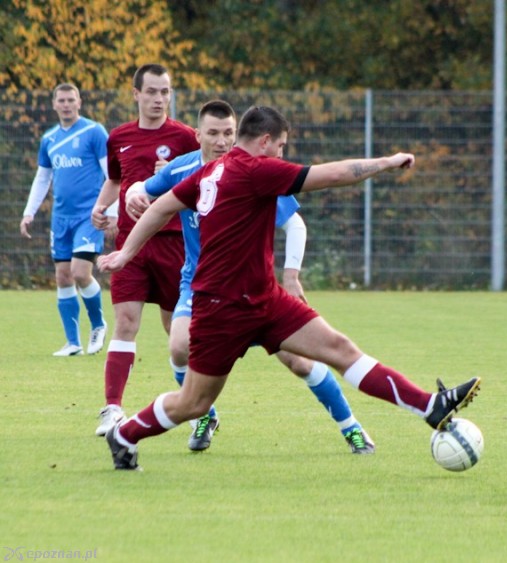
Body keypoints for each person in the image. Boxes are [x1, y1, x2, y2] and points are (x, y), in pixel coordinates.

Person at [98, 105, 480, 470]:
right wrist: (386, 162)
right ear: (265, 141)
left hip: (265, 300)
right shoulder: (253, 170)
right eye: (281, 146)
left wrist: (126, 253)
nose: (282, 154)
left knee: (339, 349)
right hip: (222, 309)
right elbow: (332, 175)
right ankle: (126, 435)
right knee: (193, 403)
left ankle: (430, 406)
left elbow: (162, 205)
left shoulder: (211, 172)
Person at [126, 99, 375, 453]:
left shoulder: (253, 171)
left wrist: (291, 275)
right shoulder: (182, 170)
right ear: (198, 136)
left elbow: (294, 222)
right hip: (199, 287)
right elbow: (145, 190)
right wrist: (132, 196)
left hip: (253, 291)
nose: (222, 141)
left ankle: (350, 426)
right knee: (179, 346)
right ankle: (203, 414)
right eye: (213, 133)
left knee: (300, 362)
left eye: (228, 132)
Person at [90, 64, 200, 437]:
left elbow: (206, 182)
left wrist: (172, 174)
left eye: (165, 91)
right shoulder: (118, 137)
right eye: (151, 91)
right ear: (135, 94)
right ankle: (112, 409)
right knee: (125, 323)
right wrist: (102, 207)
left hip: (174, 245)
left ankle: (203, 407)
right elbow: (116, 179)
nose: (158, 99)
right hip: (130, 246)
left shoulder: (187, 138)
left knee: (177, 336)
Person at [20, 83, 109, 357]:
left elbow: (111, 174)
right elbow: (43, 178)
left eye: (71, 99)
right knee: (62, 276)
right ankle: (73, 343)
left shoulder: (94, 132)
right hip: (61, 219)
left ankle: (98, 324)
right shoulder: (49, 139)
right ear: (55, 104)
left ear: (79, 102)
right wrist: (29, 212)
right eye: (62, 100)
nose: (67, 104)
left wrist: (112, 211)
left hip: (89, 215)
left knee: (80, 272)